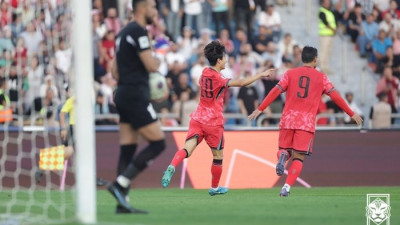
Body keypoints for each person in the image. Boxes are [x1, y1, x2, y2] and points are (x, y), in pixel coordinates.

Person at [161, 40, 276, 195]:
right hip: (213, 122)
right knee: (218, 156)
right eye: (225, 57)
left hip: (197, 117)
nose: (227, 60)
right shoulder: (219, 79)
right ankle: (214, 188)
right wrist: (261, 74)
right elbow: (241, 82)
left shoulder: (204, 73)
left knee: (188, 148)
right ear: (219, 60)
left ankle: (172, 165)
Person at [248, 46, 363, 197]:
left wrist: (261, 108)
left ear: (302, 58)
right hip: (305, 122)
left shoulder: (290, 73)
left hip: (288, 119)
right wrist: (351, 113)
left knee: (284, 149)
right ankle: (286, 187)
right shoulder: (321, 77)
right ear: (315, 59)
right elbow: (335, 96)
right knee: (298, 157)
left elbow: (275, 91)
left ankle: (283, 155)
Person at [107, 0, 166, 214]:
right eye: (152, 7)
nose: (155, 12)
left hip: (122, 93)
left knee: (128, 148)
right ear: (141, 8)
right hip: (134, 95)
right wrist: (159, 60)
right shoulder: (140, 32)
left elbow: (114, 72)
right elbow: (151, 65)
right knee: (158, 143)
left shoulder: (122, 34)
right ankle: (120, 184)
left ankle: (122, 204)